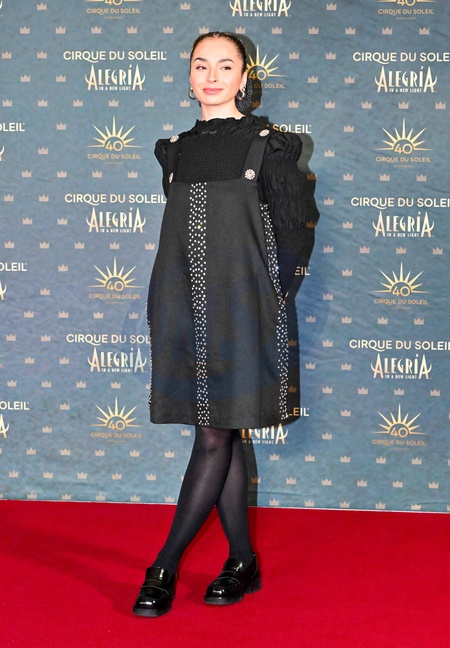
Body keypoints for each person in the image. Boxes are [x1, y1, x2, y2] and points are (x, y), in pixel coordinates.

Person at [133, 31, 310, 617]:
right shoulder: (174, 151)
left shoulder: (270, 146)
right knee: (221, 433)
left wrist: (270, 296)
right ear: (189, 76)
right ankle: (242, 560)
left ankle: (163, 566)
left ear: (243, 77)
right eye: (201, 65)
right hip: (182, 302)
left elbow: (294, 231)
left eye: (225, 66)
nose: (212, 76)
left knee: (213, 435)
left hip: (243, 307)